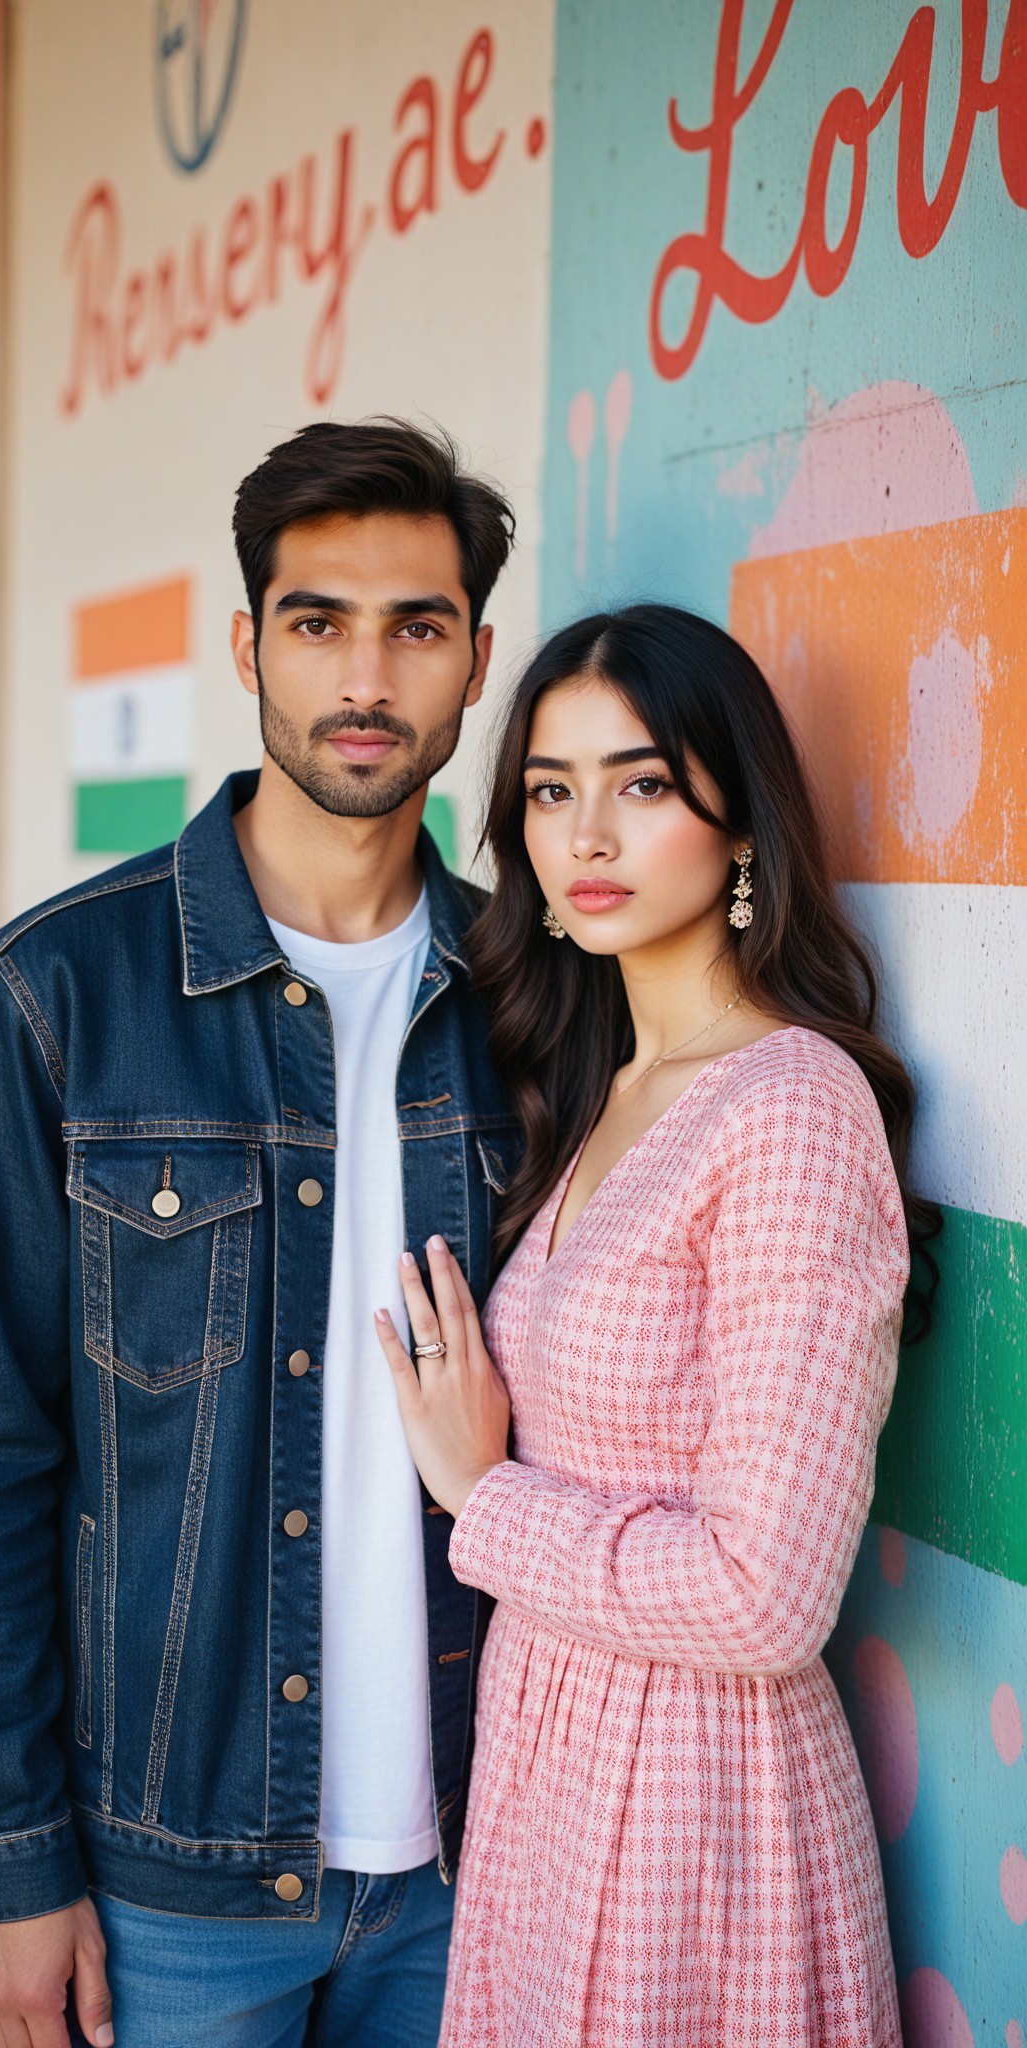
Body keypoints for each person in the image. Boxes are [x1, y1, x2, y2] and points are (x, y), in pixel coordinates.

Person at [0, 419, 524, 2048]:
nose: (366, 675)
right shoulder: (54, 996)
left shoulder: (537, 1010)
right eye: (318, 623)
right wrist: (8, 1862)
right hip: (167, 1888)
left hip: (482, 1868)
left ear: (475, 662)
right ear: (248, 646)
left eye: (419, 626)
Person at [375, 603, 940, 2048]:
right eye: (552, 793)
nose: (588, 836)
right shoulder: (604, 1090)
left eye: (639, 784)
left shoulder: (791, 1107)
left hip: (698, 1807)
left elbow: (768, 1595)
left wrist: (482, 1496)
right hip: (545, 1772)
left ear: (739, 819)